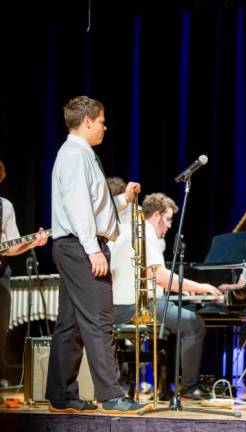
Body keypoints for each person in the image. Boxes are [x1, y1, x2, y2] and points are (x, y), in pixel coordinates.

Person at [46, 95, 147, 414]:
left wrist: (122, 201)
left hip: (74, 244)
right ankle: (111, 395)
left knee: (71, 323)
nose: (105, 126)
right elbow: (78, 208)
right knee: (99, 321)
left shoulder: (79, 155)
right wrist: (93, 250)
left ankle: (61, 393)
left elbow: (93, 209)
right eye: (102, 121)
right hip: (80, 246)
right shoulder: (76, 155)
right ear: (87, 121)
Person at [110, 192, 223, 399]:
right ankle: (189, 387)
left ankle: (168, 387)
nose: (170, 225)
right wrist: (199, 286)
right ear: (157, 216)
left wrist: (182, 288)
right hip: (133, 307)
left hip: (122, 305)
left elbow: (149, 276)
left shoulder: (131, 229)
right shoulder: (145, 233)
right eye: (169, 219)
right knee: (194, 323)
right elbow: (158, 275)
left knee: (180, 319)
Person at [0, 160, 48, 394]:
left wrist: (32, 243)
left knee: (0, 333)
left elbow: (10, 245)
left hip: (0, 275)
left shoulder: (4, 206)